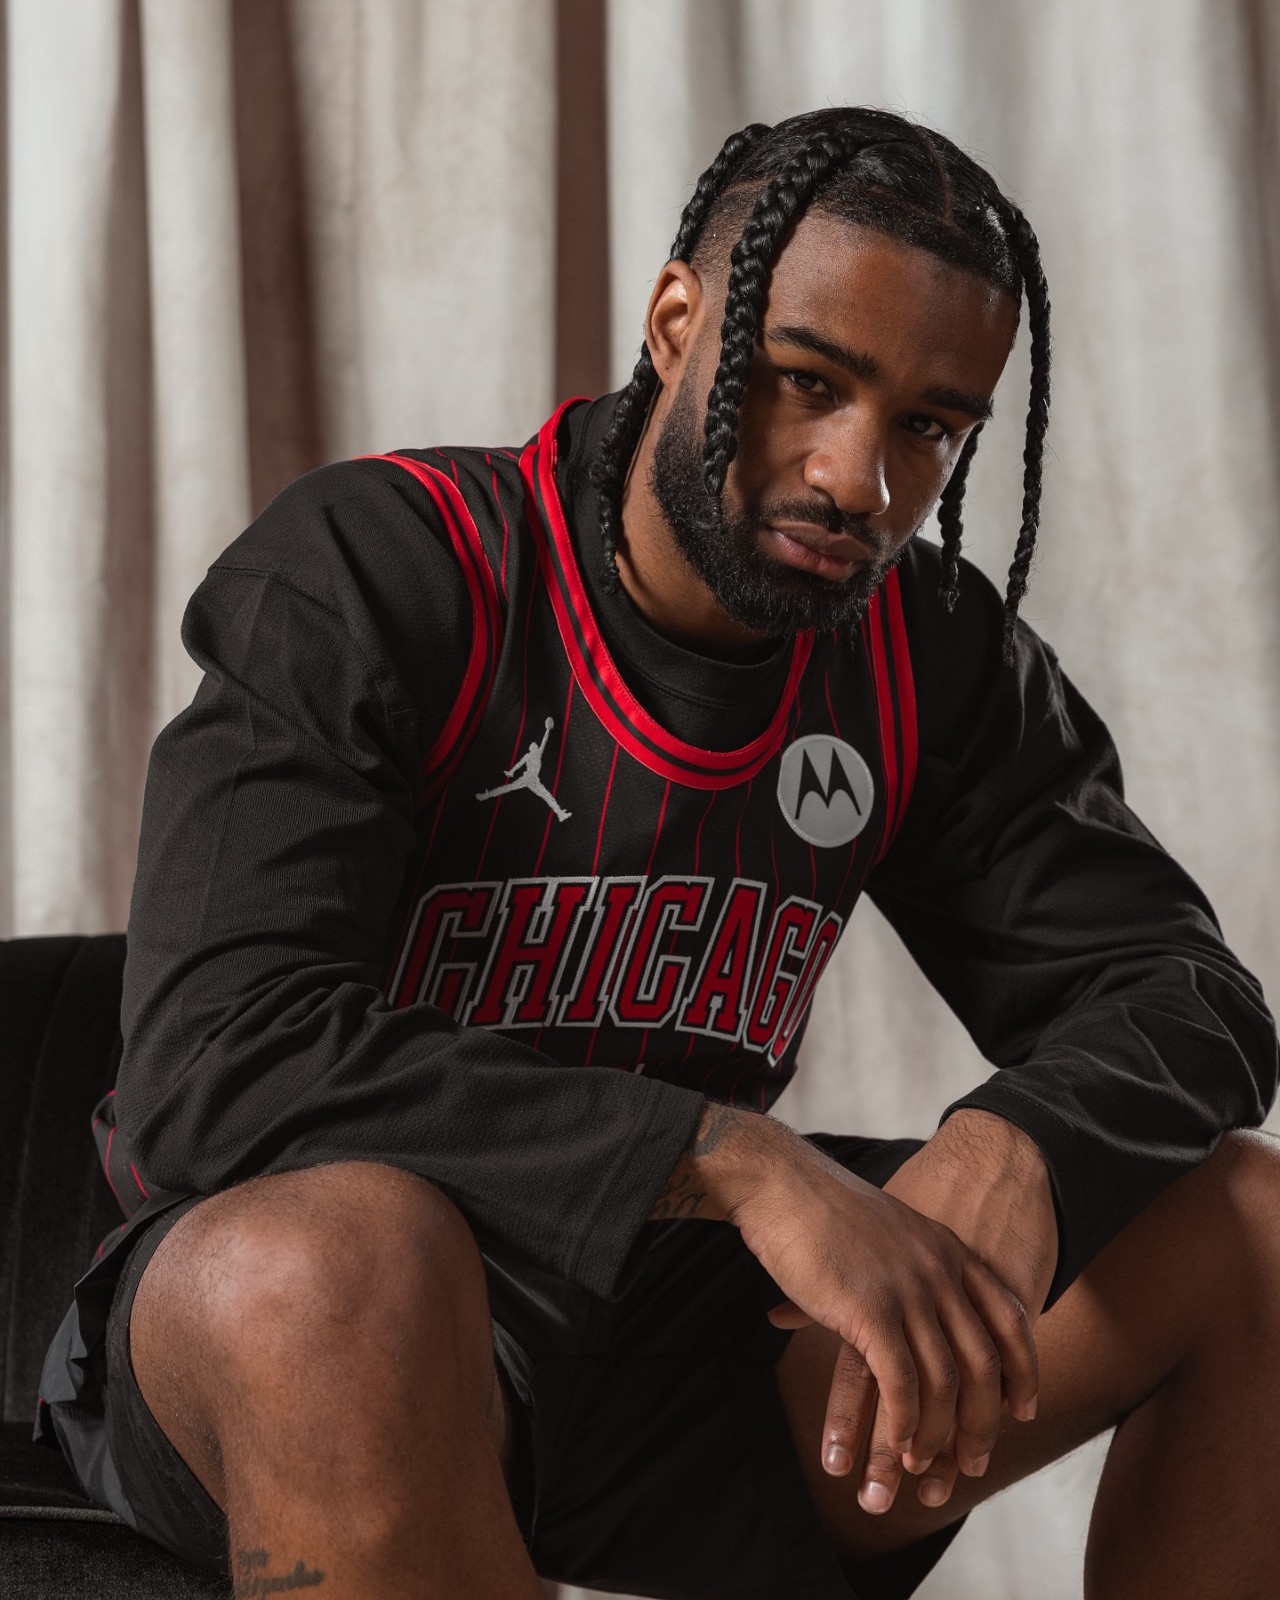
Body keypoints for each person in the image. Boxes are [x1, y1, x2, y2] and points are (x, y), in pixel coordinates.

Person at [34, 107, 1280, 1600]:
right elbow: (214, 1064)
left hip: (650, 1337)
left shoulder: (926, 656)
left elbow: (1192, 995)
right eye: (808, 383)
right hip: (291, 1329)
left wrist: (1022, 1146)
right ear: (681, 322)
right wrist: (731, 1158)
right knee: (346, 1263)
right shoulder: (386, 565)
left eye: (929, 428)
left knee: (1247, 1227)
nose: (859, 480)